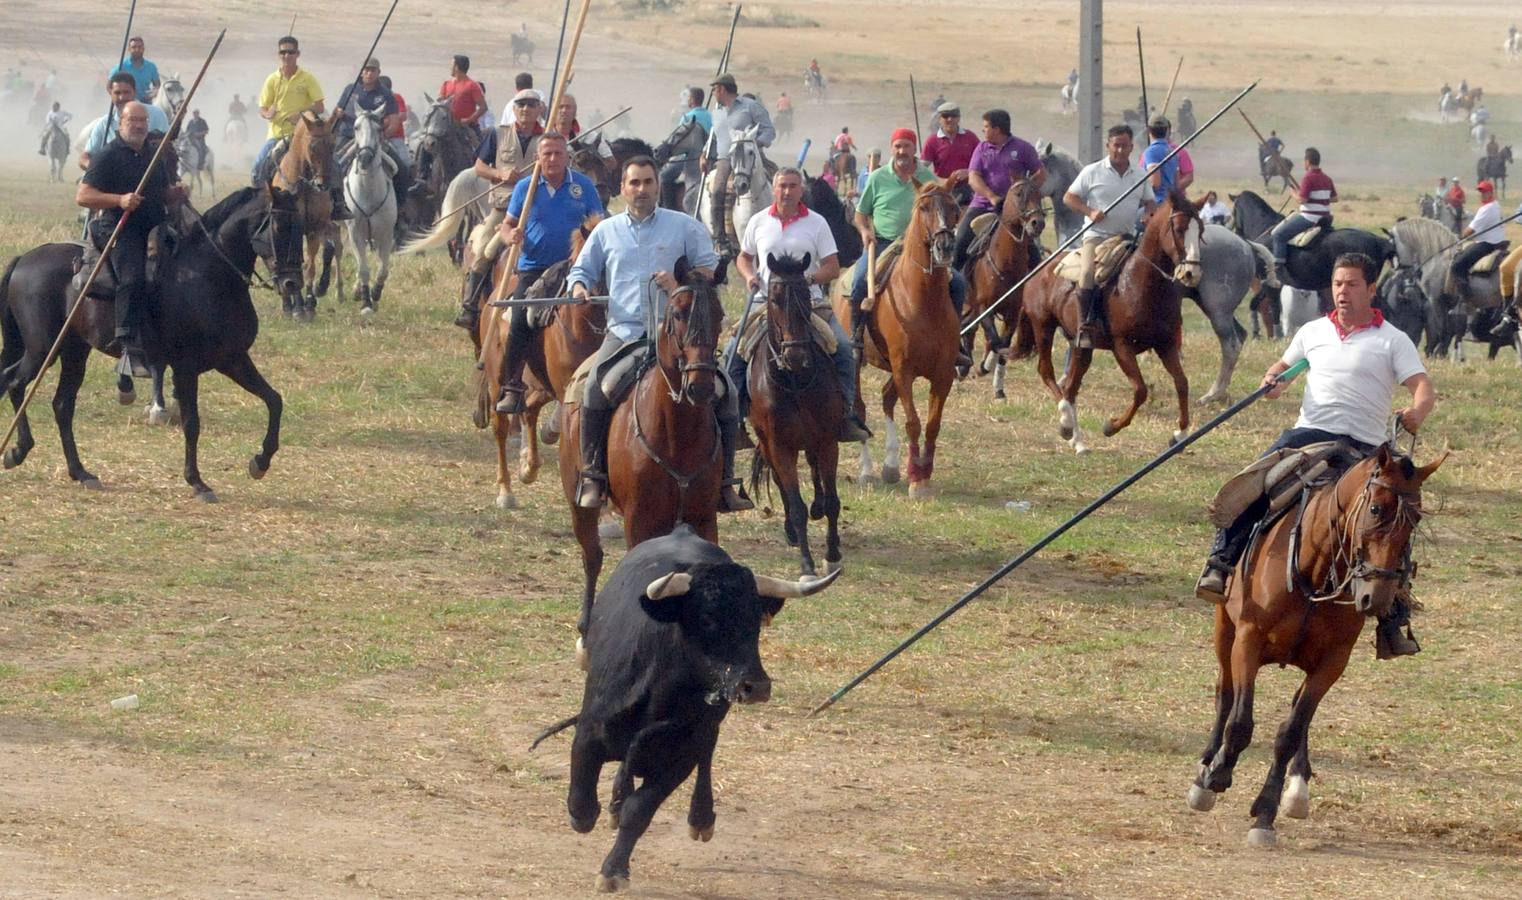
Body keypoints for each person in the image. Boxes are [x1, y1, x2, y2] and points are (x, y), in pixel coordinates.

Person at [1196, 253, 1435, 658]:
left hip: (1364, 448)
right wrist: (1272, 379)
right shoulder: (1312, 331)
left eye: (1352, 284)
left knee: (1395, 512)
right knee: (1252, 484)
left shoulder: (1392, 339)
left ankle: (1393, 615)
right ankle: (1221, 562)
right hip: (1309, 435)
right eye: (1338, 283)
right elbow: (1284, 367)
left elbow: (1423, 387)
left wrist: (1416, 412)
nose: (1342, 291)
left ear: (1371, 289)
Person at [566, 155, 752, 513]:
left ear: (657, 186)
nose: (641, 190)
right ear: (623, 188)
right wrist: (578, 288)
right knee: (593, 389)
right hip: (625, 334)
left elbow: (710, 272)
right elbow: (582, 271)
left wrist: (680, 283)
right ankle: (593, 476)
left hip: (680, 337)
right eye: (634, 183)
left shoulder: (684, 226)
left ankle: (726, 482)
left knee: (725, 392)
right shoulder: (606, 231)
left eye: (648, 182)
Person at [730, 167, 872, 442]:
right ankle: (735, 421)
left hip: (810, 303)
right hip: (766, 302)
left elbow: (832, 266)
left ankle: (846, 414)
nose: (787, 191)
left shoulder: (817, 223)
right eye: (782, 186)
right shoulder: (759, 221)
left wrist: (809, 279)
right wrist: (749, 276)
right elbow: (743, 257)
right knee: (732, 353)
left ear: (801, 190)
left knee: (843, 349)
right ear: (774, 189)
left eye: (793, 186)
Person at [491, 132, 605, 413]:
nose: (552, 159)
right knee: (519, 319)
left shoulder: (583, 186)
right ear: (538, 159)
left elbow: (600, 223)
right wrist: (510, 235)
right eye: (547, 154)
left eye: (557, 153)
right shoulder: (525, 188)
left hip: (576, 266)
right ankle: (513, 385)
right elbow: (507, 225)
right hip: (535, 268)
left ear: (567, 156)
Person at [75, 101, 190, 377]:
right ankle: (128, 345)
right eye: (132, 120)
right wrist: (119, 199)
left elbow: (160, 192)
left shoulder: (154, 155)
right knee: (133, 278)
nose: (138, 125)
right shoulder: (108, 156)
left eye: (143, 121)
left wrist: (173, 194)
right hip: (119, 228)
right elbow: (83, 196)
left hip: (155, 226)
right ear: (121, 123)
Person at [850, 127, 969, 354]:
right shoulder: (877, 177)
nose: (901, 151)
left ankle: (955, 337)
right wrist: (865, 231)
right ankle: (856, 335)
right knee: (858, 282)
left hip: (920, 245)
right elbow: (860, 213)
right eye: (897, 146)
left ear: (915, 149)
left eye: (906, 146)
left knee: (958, 283)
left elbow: (943, 202)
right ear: (891, 149)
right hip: (884, 243)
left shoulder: (926, 177)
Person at [456, 88, 544, 330]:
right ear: (514, 109)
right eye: (521, 104)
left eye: (531, 104)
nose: (526, 109)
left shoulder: (548, 139)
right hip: (503, 209)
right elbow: (479, 167)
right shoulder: (497, 134)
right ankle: (470, 305)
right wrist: (500, 173)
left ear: (540, 109)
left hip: (539, 210)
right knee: (485, 251)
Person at [1063, 123, 1153, 349]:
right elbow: (1069, 198)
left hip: (1126, 237)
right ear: (1108, 145)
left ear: (1132, 147)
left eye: (1125, 146)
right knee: (1087, 273)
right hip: (1097, 236)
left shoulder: (1140, 174)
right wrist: (1090, 212)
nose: (1120, 151)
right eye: (1116, 146)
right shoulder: (1092, 171)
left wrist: (1150, 215)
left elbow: (1150, 202)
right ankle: (1084, 325)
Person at [953, 108, 1045, 271]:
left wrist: (1025, 193)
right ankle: (955, 283)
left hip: (1016, 211)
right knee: (959, 242)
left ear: (997, 129)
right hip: (982, 206)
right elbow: (974, 177)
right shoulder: (981, 149)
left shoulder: (1023, 148)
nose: (983, 130)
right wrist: (992, 197)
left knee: (1034, 257)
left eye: (986, 127)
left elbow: (1041, 173)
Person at [700, 73, 775, 253]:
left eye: (714, 89)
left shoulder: (751, 106)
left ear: (722, 89)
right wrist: (704, 153)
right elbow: (714, 138)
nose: (713, 93)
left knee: (782, 179)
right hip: (726, 158)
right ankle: (720, 239)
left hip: (752, 155)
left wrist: (755, 144)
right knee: (717, 190)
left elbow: (769, 130)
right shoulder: (716, 113)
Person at [334, 58, 411, 202]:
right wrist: (338, 112)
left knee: (403, 170)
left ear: (378, 72)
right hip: (348, 137)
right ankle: (335, 206)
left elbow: (394, 121)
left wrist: (384, 135)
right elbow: (338, 109)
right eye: (366, 70)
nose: (369, 73)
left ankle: (400, 211)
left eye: (372, 70)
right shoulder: (350, 89)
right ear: (361, 72)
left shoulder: (386, 94)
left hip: (375, 139)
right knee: (331, 167)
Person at [79, 73, 170, 169]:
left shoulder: (157, 114)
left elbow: (167, 148)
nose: (122, 97)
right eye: (117, 93)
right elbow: (85, 157)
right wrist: (96, 169)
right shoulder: (104, 124)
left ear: (134, 92)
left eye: (126, 92)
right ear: (111, 93)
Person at [1270, 147, 1337, 278]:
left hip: (1309, 218)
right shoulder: (1327, 178)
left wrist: (1294, 193)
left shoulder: (1308, 177)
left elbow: (1302, 200)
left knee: (1278, 235)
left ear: (1307, 161)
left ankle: (1278, 271)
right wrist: (1319, 197)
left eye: (1304, 160)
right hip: (1326, 217)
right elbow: (1335, 198)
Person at [1450, 180, 1507, 296]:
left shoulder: (1487, 209)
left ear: (1491, 193)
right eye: (1480, 192)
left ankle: (1466, 297)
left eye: (1485, 192)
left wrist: (1459, 238)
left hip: (1487, 244)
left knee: (1457, 266)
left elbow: (1471, 230)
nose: (1482, 195)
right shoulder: (1496, 204)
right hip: (1498, 241)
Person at [660, 87, 710, 212]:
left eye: (689, 98)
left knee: (664, 176)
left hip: (688, 157)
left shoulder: (688, 118)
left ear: (692, 99)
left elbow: (679, 141)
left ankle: (668, 209)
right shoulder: (710, 116)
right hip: (709, 155)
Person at [920, 101, 979, 206]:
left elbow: (983, 163)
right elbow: (921, 168)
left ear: (959, 118)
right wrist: (940, 180)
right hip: (943, 191)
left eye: (954, 116)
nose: (950, 119)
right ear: (939, 119)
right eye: (945, 116)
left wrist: (968, 172)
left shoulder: (970, 137)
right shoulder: (932, 140)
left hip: (969, 189)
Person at [1140, 114, 1181, 205]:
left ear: (1148, 130)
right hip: (1171, 202)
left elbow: (1155, 183)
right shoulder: (1172, 152)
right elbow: (1177, 183)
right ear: (1167, 130)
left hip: (1156, 202)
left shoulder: (1151, 152)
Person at [439, 54, 486, 130]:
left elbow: (483, 107)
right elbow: (440, 104)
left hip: (468, 127)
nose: (450, 68)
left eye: (452, 65)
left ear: (457, 67)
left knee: (475, 141)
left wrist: (469, 120)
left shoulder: (472, 85)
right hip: (448, 127)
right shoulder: (446, 84)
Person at [109, 36, 160, 103]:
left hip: (146, 104)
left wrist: (155, 92)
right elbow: (109, 86)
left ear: (143, 48)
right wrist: (118, 98)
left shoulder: (151, 67)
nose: (137, 49)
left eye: (139, 47)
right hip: (125, 104)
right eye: (134, 47)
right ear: (129, 49)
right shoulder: (121, 66)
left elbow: (157, 85)